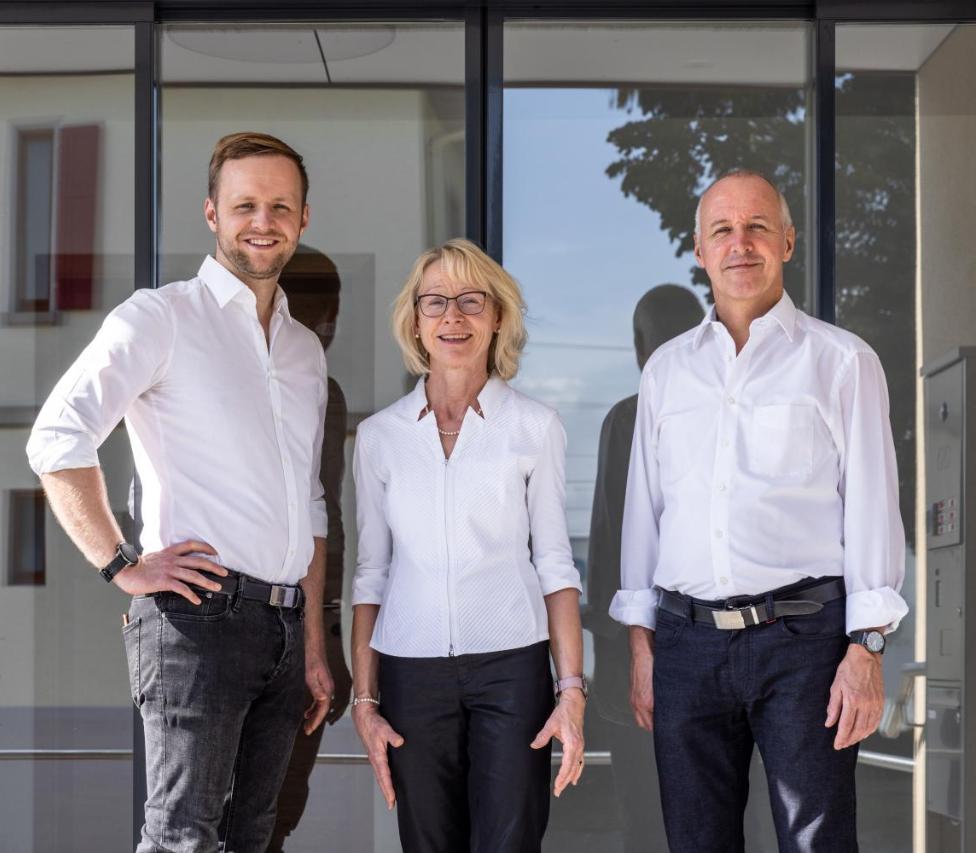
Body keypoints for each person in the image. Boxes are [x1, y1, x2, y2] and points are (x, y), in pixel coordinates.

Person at [26, 132, 335, 853]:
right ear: (212, 213)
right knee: (182, 841)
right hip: (199, 620)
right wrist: (122, 563)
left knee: (251, 837)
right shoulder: (160, 316)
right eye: (246, 204)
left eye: (280, 205)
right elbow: (57, 438)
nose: (264, 220)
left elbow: (309, 505)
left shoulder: (302, 351)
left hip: (285, 630)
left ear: (303, 219)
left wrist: (315, 644)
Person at [610, 169, 907, 853]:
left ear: (788, 241)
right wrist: (641, 641)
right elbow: (645, 517)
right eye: (723, 230)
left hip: (805, 642)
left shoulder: (843, 362)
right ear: (698, 248)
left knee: (818, 840)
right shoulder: (667, 372)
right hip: (685, 645)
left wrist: (867, 648)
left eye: (757, 228)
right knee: (695, 840)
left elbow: (870, 509)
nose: (739, 244)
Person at [350, 238, 586, 853]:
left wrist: (572, 692)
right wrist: (365, 700)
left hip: (513, 668)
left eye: (470, 300)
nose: (453, 316)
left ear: (498, 316)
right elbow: (371, 575)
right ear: (417, 322)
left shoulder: (535, 427)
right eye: (436, 302)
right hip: (410, 672)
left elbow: (557, 565)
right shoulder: (380, 438)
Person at [584, 283, 703, 853]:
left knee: (647, 818)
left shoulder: (628, 419)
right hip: (719, 651)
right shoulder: (729, 419)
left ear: (638, 347)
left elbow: (609, 548)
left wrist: (613, 651)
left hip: (637, 659)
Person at [268, 246, 353, 852]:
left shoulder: (328, 392)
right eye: (315, 314)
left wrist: (328, 638)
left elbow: (328, 521)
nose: (325, 330)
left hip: (310, 631)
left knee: (278, 810)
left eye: (333, 316)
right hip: (236, 627)